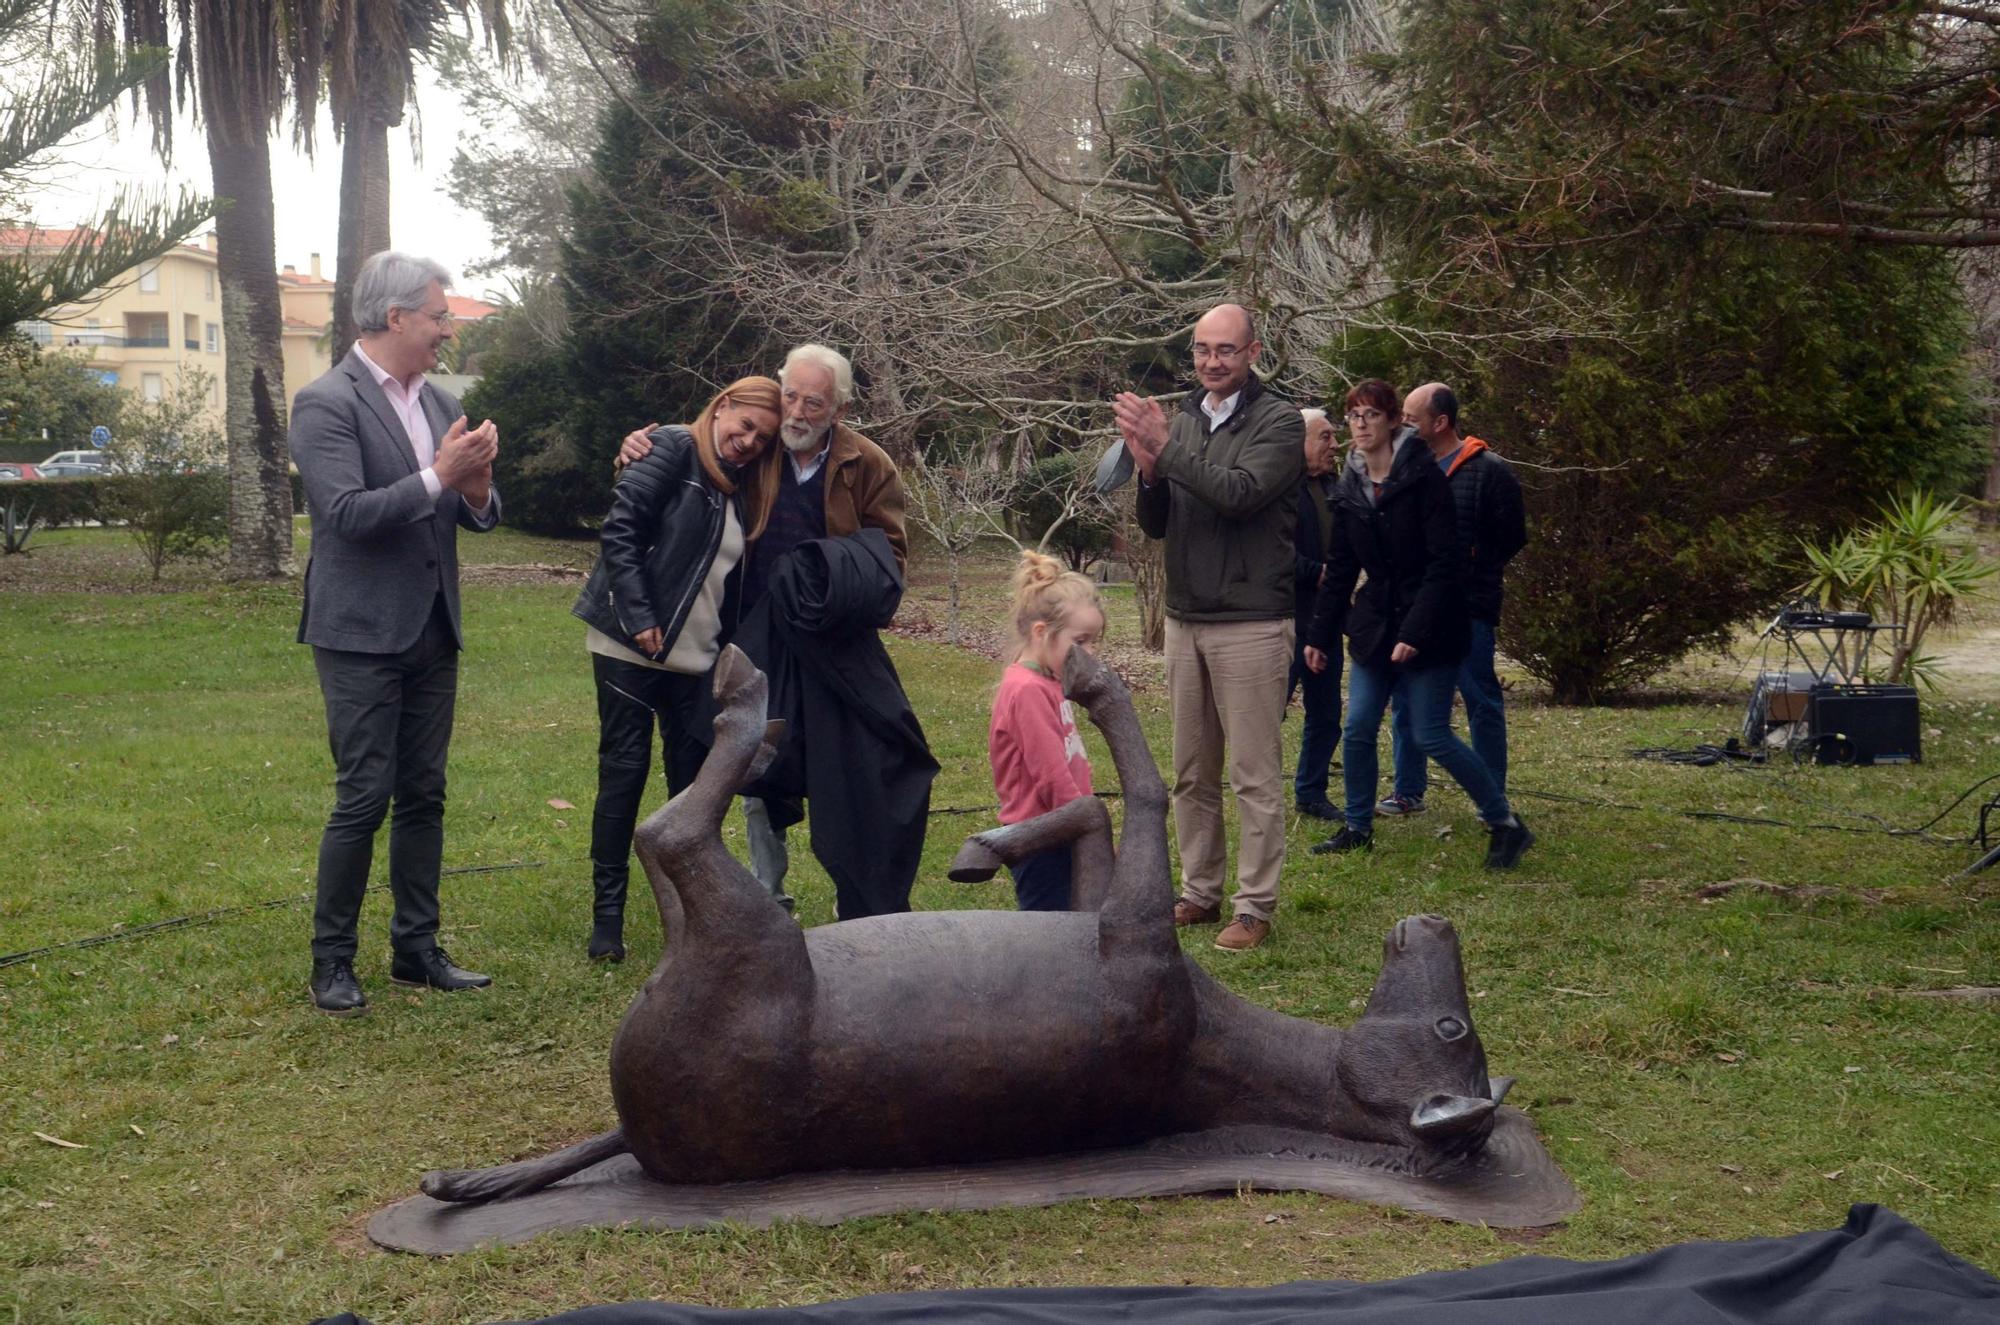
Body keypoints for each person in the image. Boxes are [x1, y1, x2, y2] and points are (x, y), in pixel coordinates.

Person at [618, 344, 914, 915]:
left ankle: (857, 902)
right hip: (753, 634)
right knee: (752, 755)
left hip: (832, 640)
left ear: (841, 410)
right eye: (791, 395)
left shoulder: (868, 464)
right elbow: (705, 440)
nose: (798, 411)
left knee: (848, 764)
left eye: (815, 402)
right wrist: (638, 445)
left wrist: (829, 576)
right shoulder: (761, 448)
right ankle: (767, 895)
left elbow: (891, 558)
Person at [292, 252, 502, 1016]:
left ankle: (417, 949)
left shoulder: (444, 403)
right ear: (395, 318)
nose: (448, 329)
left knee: (424, 792)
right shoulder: (325, 403)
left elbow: (472, 507)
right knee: (362, 796)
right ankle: (333, 961)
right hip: (357, 633)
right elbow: (344, 515)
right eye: (440, 316)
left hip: (433, 626)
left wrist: (476, 490)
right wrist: (439, 479)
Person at [1112, 303, 1304, 952]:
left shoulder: (1279, 422)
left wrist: (1167, 450)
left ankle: (1254, 906)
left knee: (1253, 774)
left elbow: (1239, 493)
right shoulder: (1187, 418)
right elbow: (1160, 523)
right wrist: (1147, 470)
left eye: (1225, 349)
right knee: (1192, 771)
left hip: (1251, 621)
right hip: (1185, 619)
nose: (1211, 361)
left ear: (1253, 352)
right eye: (1200, 349)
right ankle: (1200, 888)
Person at [571, 377, 783, 962]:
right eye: (744, 427)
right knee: (624, 773)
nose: (748, 442)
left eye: (762, 439)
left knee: (691, 785)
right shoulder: (668, 447)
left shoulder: (745, 486)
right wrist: (638, 615)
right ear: (723, 406)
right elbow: (620, 529)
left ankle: (692, 908)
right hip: (629, 645)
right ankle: (607, 918)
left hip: (696, 657)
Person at [1302, 380, 1533, 870]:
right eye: (1353, 416)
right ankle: (1358, 828)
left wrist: (1414, 632)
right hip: (1375, 621)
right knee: (1360, 725)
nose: (1359, 425)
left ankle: (1506, 824)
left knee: (1431, 734)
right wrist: (1319, 636)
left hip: (1433, 621)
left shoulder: (1424, 477)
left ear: (1393, 422)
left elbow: (1444, 565)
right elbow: (1341, 564)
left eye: (1369, 415)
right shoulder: (1352, 481)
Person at [1377, 383, 1527, 818]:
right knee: (1406, 699)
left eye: (1410, 418)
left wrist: (1471, 566)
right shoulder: (1404, 469)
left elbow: (1511, 537)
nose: (1401, 425)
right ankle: (1407, 791)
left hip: (1468, 608)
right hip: (1413, 609)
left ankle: (1491, 797)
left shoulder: (1490, 471)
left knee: (1480, 698)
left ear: (1440, 423)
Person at [986, 550, 1106, 911]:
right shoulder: (1027, 691)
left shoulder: (1048, 680)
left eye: (1093, 641)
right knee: (1049, 933)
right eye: (1081, 641)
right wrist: (1090, 832)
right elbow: (1051, 777)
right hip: (1043, 839)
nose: (1090, 652)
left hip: (1065, 830)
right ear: (1041, 632)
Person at [1289, 407, 1342, 821]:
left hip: (1326, 619)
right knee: (1267, 711)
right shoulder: (1278, 490)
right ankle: (1258, 790)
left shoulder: (1334, 487)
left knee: (1325, 713)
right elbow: (1269, 553)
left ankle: (1312, 792)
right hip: (1285, 619)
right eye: (1325, 437)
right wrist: (1319, 573)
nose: (1334, 444)